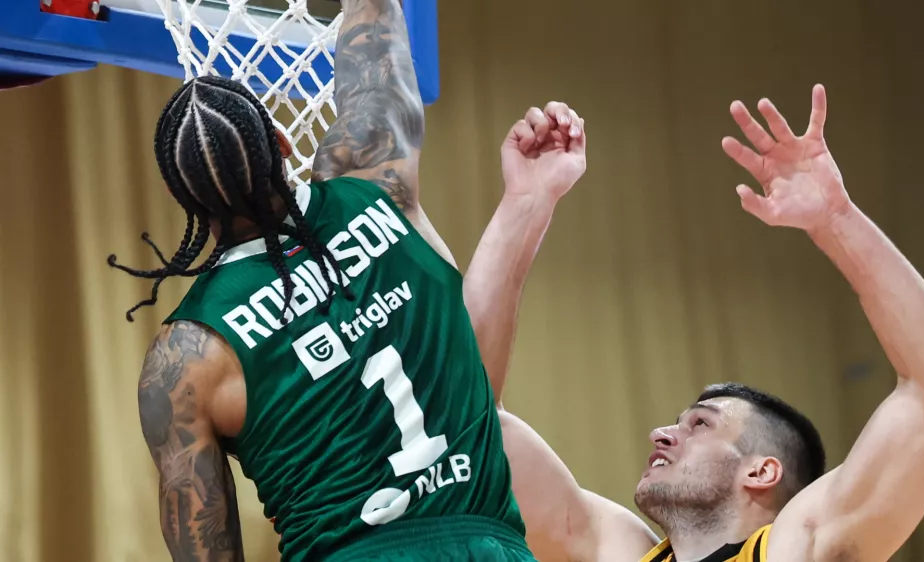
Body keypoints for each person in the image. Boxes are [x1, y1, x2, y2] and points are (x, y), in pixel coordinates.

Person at [108, 1, 588, 561]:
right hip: (487, 546)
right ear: (283, 145)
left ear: (179, 197)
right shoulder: (376, 176)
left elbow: (206, 551)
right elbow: (376, 45)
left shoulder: (186, 358)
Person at [463, 85, 924, 562]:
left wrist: (836, 219)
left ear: (760, 471)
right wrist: (526, 204)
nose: (662, 433)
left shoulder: (793, 548)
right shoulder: (620, 551)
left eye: (700, 424)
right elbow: (463, 418)